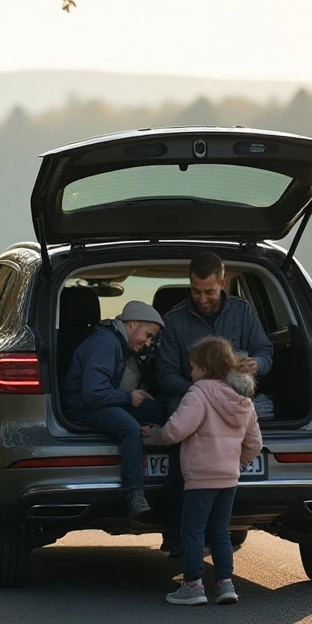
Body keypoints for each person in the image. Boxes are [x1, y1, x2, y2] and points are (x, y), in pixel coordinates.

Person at [155, 251, 273, 556]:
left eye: (209, 291)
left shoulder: (243, 312)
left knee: (266, 409)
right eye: (196, 291)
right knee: (182, 437)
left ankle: (221, 528)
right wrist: (204, 392)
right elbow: (165, 376)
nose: (202, 298)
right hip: (187, 397)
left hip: (235, 397)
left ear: (223, 283)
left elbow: (265, 351)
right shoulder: (175, 320)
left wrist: (256, 364)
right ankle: (177, 532)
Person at [150, 337, 262, 605]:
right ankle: (225, 585)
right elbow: (255, 442)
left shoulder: (199, 393)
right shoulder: (243, 398)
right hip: (228, 478)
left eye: (193, 367)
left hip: (201, 477)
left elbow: (178, 429)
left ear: (204, 366)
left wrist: (159, 435)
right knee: (221, 532)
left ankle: (193, 586)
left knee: (193, 532)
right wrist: (236, 462)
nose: (190, 372)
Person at [60, 300, 166, 519]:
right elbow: (93, 394)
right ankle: (134, 493)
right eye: (147, 335)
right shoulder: (106, 343)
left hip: (96, 401)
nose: (148, 343)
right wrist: (128, 398)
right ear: (132, 324)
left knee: (155, 411)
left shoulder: (117, 343)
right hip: (82, 406)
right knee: (129, 428)